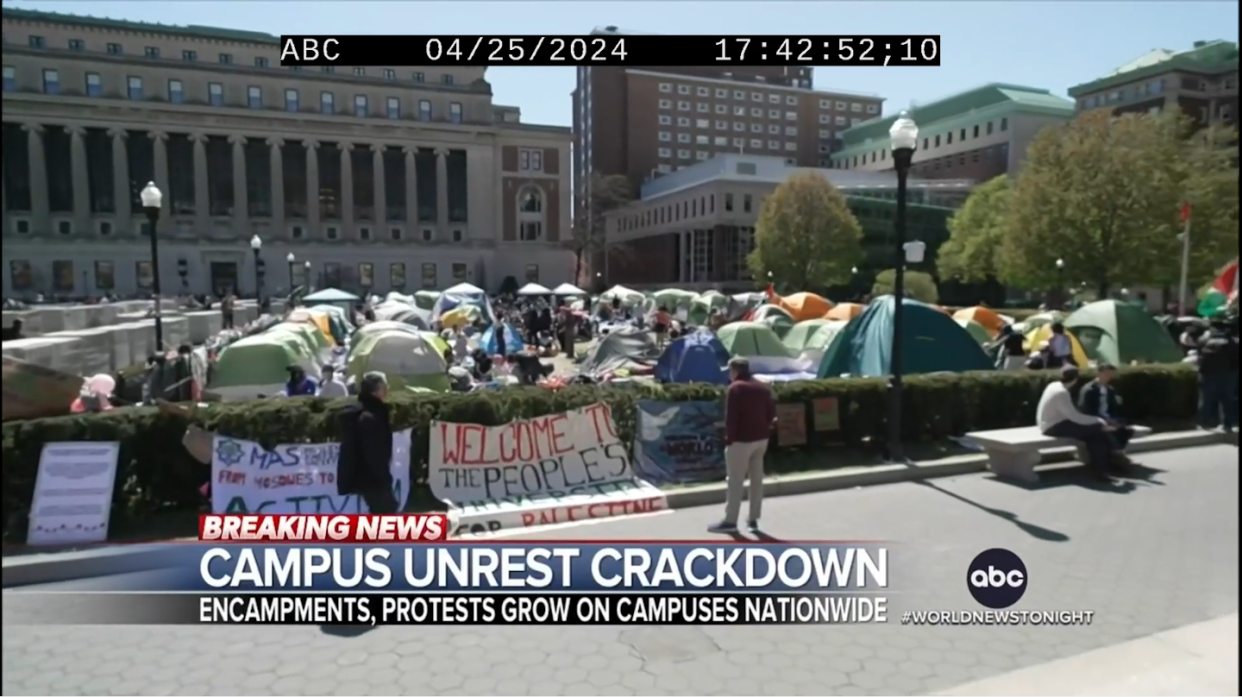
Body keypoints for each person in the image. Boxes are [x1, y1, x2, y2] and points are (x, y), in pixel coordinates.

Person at [709, 357, 777, 535]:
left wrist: (729, 438)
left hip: (741, 441)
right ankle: (753, 519)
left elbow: (732, 417)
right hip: (761, 439)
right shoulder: (762, 387)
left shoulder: (736, 388)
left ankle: (730, 520)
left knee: (735, 481)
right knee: (756, 481)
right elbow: (771, 413)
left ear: (735, 370)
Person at [1037, 365, 1117, 480]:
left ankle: (1101, 469)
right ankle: (1102, 469)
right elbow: (1075, 417)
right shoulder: (1061, 392)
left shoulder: (1054, 385)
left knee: (1095, 435)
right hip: (1053, 427)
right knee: (1098, 431)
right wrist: (1099, 421)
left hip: (1051, 423)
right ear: (1075, 379)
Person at [336, 372, 399, 513]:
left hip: (367, 477)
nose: (387, 389)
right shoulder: (369, 417)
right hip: (372, 479)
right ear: (378, 389)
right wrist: (383, 478)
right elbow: (373, 452)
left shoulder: (369, 411)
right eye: (385, 386)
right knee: (387, 511)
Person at [1077, 363, 1134, 466]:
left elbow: (1113, 408)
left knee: (1126, 430)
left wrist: (1115, 419)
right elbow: (1086, 411)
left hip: (1108, 418)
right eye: (1106, 373)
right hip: (1094, 420)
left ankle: (1115, 455)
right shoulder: (1089, 390)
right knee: (1107, 432)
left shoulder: (1110, 389)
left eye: (1110, 374)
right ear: (1098, 373)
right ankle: (1117, 455)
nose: (1109, 376)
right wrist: (1103, 420)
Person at [1196, 317, 1239, 432]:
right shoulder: (1231, 340)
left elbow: (1199, 356)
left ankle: (1203, 423)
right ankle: (1227, 425)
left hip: (1208, 375)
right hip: (1229, 375)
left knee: (1206, 400)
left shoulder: (1204, 339)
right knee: (1227, 401)